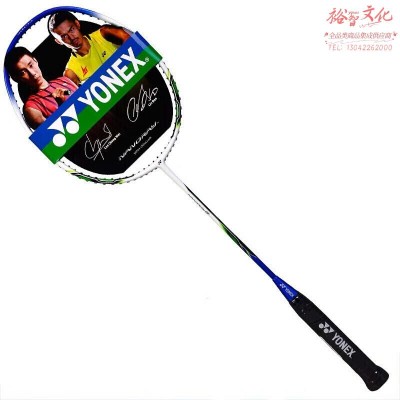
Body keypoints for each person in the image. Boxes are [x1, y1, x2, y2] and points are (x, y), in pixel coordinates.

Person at [4, 46, 78, 129]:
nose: (32, 73)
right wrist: (63, 107)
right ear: (16, 79)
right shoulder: (31, 108)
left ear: (35, 60)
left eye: (31, 65)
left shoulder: (64, 80)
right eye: (23, 72)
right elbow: (53, 136)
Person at [48, 11, 131, 85]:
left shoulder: (104, 33)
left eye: (71, 30)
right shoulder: (71, 72)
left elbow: (131, 39)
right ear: (58, 41)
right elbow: (68, 92)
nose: (71, 37)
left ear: (77, 24)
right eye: (64, 36)